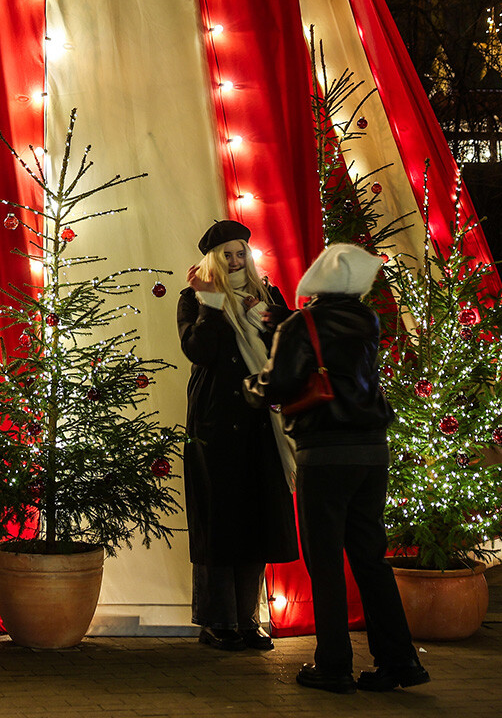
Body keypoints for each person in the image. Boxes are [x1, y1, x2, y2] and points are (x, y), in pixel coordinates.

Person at [245, 243, 430, 694]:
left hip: (324, 452)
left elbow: (281, 382)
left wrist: (254, 387)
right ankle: (399, 661)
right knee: (370, 558)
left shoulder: (302, 323)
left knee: (324, 561)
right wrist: (279, 322)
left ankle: (332, 665)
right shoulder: (367, 320)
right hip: (372, 451)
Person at [177, 219, 298, 651]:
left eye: (240, 252)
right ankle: (216, 621)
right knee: (218, 521)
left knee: (257, 519)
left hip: (260, 420)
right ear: (213, 259)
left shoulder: (267, 295)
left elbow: (290, 338)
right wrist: (211, 305)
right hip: (213, 422)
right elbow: (199, 351)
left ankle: (248, 619)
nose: (234, 260)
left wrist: (258, 313)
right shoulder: (193, 299)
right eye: (226, 253)